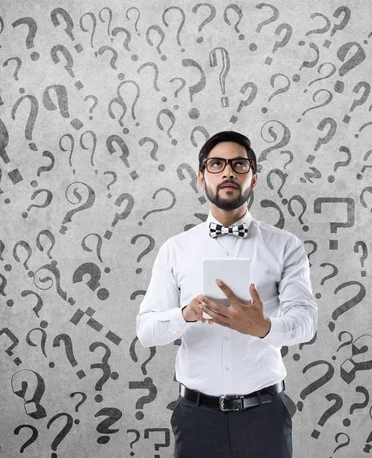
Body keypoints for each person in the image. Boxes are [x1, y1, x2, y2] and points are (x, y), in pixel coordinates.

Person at [136, 130, 318, 458]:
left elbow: (306, 322)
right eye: (217, 164)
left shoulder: (285, 246)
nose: (229, 172)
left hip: (265, 416)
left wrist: (263, 327)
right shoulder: (175, 250)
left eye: (239, 164)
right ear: (201, 177)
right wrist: (185, 315)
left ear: (255, 177)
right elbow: (146, 331)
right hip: (196, 418)